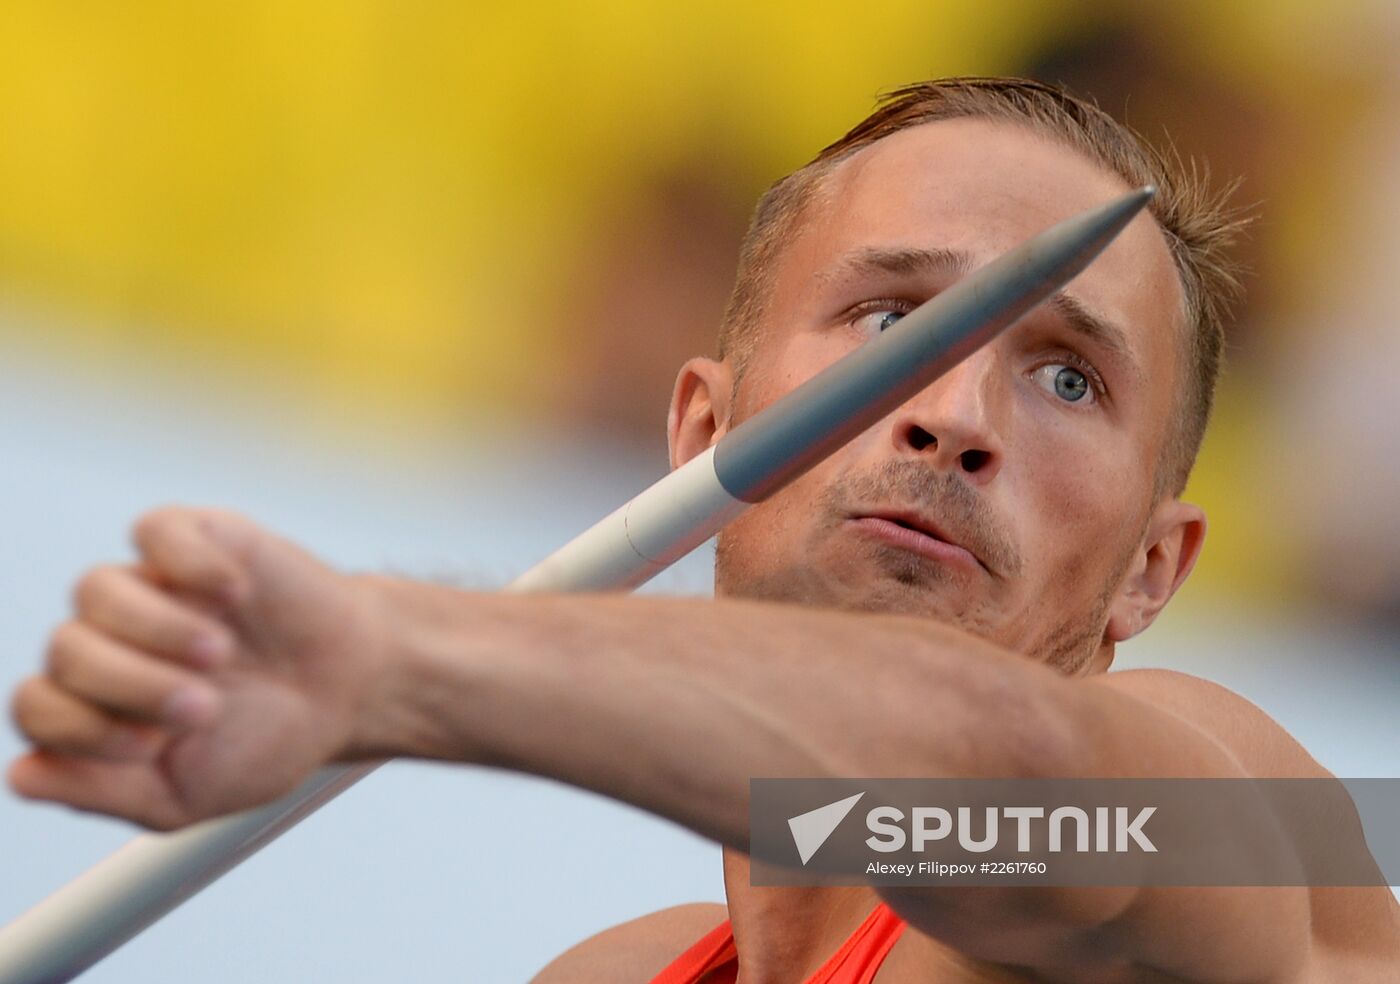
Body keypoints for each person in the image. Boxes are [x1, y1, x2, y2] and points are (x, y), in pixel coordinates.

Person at [7, 78, 1397, 982]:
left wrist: (394, 657)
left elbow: (1010, 769)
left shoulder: (1221, 817)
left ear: (1152, 570)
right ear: (700, 437)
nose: (958, 411)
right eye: (892, 319)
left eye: (1068, 378)